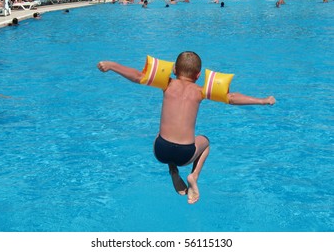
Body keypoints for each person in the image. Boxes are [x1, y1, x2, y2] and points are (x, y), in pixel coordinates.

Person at [97, 51, 276, 204]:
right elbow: (231, 97)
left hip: (160, 151)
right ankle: (194, 176)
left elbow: (138, 76)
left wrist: (112, 65)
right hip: (186, 154)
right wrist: (262, 100)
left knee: (160, 135)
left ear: (174, 70)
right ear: (198, 75)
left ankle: (172, 170)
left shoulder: (167, 84)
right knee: (205, 141)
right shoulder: (200, 91)